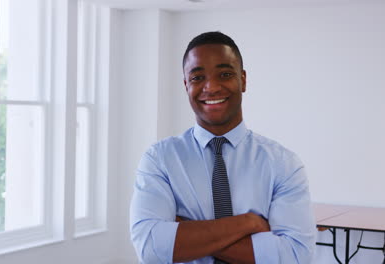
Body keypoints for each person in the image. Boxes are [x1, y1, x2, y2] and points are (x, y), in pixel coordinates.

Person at [129, 31, 316, 264]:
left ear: (243, 80)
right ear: (186, 85)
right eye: (197, 78)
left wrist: (186, 232)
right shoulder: (159, 159)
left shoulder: (283, 163)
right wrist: (247, 223)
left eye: (225, 74)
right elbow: (150, 248)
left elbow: (295, 257)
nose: (212, 87)